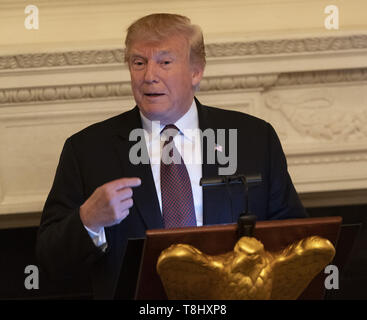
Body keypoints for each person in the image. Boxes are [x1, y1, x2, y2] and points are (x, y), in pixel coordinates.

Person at [36, 13, 307, 299]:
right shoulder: (87, 150)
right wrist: (88, 220)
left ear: (196, 71)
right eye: (139, 62)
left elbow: (296, 243)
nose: (149, 75)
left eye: (165, 62)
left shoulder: (253, 138)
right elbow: (50, 260)